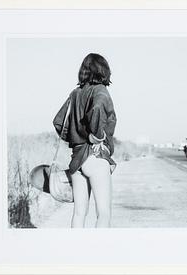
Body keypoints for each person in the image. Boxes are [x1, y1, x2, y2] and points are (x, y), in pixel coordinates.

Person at [53, 53, 117, 228]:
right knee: (103, 214)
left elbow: (58, 121)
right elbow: (97, 109)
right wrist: (95, 136)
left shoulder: (75, 93)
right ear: (103, 70)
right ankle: (97, 252)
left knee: (79, 213)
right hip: (95, 157)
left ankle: (76, 252)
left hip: (76, 160)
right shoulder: (101, 91)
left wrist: (75, 138)